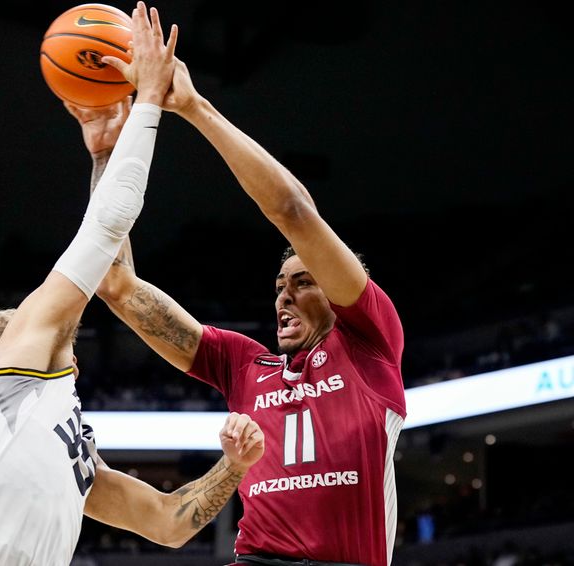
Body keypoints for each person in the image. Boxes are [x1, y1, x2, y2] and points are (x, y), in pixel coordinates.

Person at [0, 4, 264, 566]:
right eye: (16, 320)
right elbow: (105, 229)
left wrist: (235, 467)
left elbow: (167, 524)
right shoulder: (5, 375)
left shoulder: (72, 452)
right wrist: (147, 98)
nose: (35, 317)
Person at [93, 23, 407, 566]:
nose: (283, 297)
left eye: (302, 282)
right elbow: (115, 284)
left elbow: (293, 212)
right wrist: (105, 154)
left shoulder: (369, 340)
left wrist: (193, 107)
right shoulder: (243, 364)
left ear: (339, 292)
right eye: (278, 286)